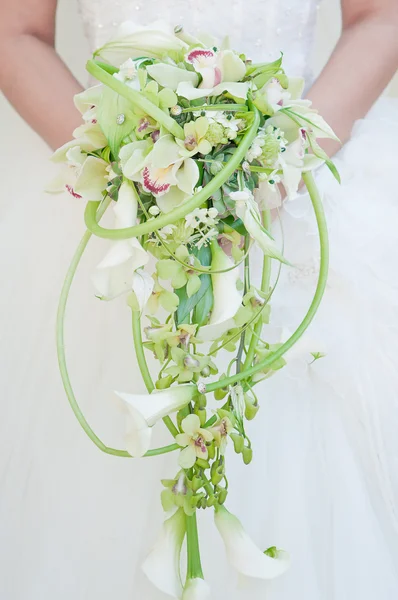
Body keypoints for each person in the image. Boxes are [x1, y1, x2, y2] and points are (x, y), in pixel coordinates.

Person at [1, 1, 398, 598]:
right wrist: (126, 169)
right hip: (118, 190)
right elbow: (14, 31)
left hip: (290, 186)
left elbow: (382, 17)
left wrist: (280, 157)